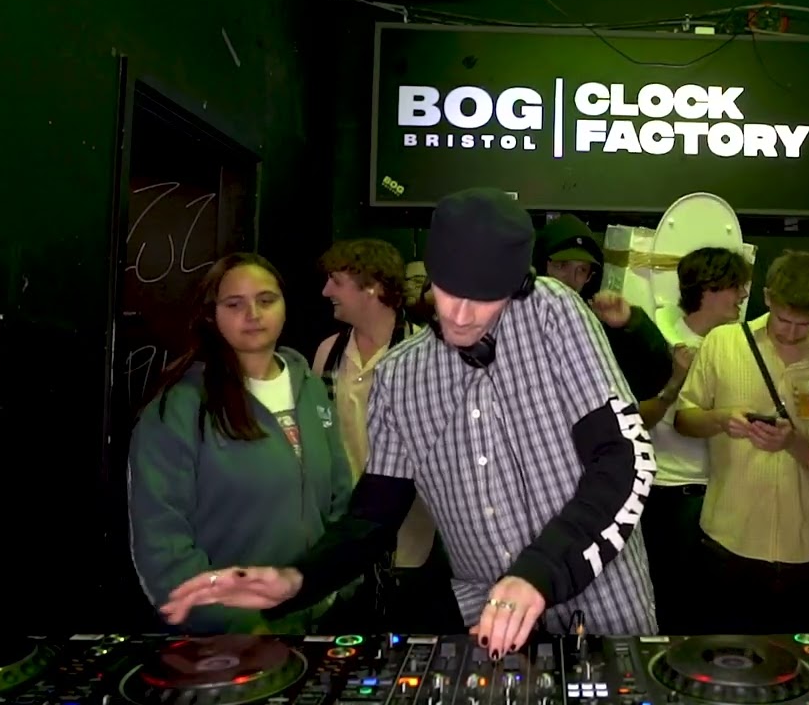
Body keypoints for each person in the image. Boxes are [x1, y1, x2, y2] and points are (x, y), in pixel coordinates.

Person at [160, 188, 658, 653]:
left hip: (602, 604)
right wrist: (298, 580)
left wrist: (539, 572)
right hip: (486, 616)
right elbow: (375, 515)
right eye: (449, 291)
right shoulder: (399, 375)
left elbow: (625, 457)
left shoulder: (553, 312)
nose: (461, 316)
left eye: (484, 298)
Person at [127, 253, 353, 634]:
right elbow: (161, 543)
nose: (253, 314)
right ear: (211, 315)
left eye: (266, 300)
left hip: (316, 626)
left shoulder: (311, 388)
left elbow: (341, 498)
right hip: (227, 639)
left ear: (284, 306)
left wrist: (335, 589)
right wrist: (242, 626)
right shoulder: (179, 408)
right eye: (234, 304)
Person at [674, 250, 809, 635]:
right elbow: (683, 420)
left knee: (796, 660)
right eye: (783, 320)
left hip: (808, 547)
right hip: (729, 538)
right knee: (721, 655)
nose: (790, 333)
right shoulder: (724, 343)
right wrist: (721, 418)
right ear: (768, 298)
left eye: (803, 325)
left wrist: (793, 441)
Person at [312, 239, 457, 632]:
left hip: (413, 542)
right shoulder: (328, 352)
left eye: (336, 281)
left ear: (371, 287)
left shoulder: (426, 354)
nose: (326, 291)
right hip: (344, 534)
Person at [639, 247, 750, 634]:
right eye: (736, 286)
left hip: (721, 492)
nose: (743, 295)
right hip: (670, 492)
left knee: (712, 609)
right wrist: (675, 379)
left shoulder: (737, 345)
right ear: (708, 288)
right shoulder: (660, 341)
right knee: (672, 606)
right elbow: (637, 421)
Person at [536, 213, 673, 400]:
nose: (570, 279)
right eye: (561, 265)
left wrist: (631, 324)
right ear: (541, 265)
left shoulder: (593, 324)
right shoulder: (516, 317)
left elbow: (653, 380)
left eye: (581, 270)